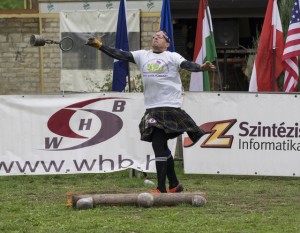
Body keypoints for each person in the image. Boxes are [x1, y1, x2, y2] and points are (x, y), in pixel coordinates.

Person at [85, 30, 216, 194]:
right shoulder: (142, 55)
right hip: (152, 108)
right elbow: (121, 54)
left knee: (158, 144)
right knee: (160, 146)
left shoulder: (172, 56)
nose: (155, 37)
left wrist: (200, 67)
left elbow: (186, 65)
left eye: (160, 37)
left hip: (169, 107)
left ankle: (161, 189)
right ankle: (174, 184)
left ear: (167, 43)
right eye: (154, 36)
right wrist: (100, 46)